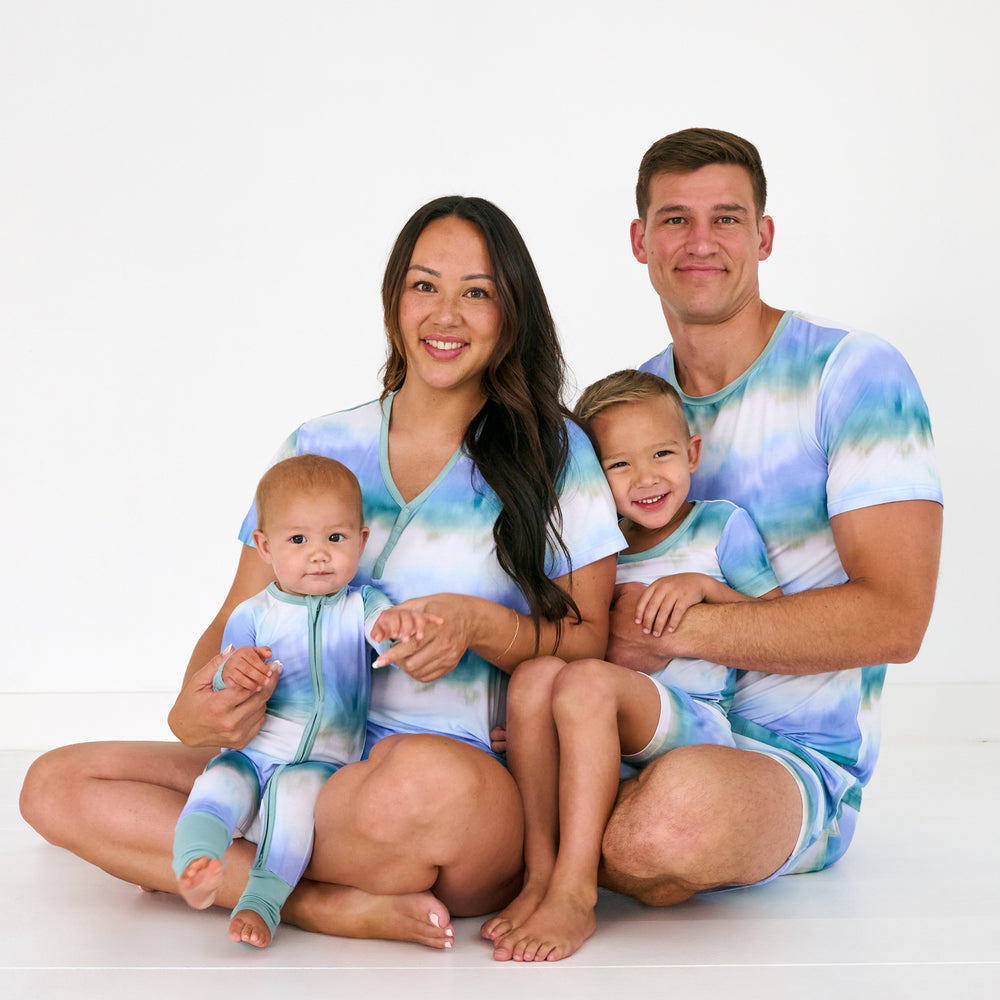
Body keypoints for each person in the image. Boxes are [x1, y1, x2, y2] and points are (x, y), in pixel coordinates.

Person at [19, 196, 625, 949]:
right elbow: (237, 612)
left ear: (512, 311)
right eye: (424, 285)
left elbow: (587, 640)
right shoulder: (319, 444)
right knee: (54, 786)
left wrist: (478, 625)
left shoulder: (554, 453)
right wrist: (198, 705)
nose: (445, 315)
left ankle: (221, 863)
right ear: (394, 298)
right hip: (290, 757)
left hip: (455, 781)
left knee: (422, 784)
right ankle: (319, 904)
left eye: (477, 292)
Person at [596, 127, 943, 906]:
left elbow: (896, 620)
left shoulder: (852, 373)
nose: (701, 241)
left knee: (664, 827)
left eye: (726, 217)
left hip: (791, 763)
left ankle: (601, 847)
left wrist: (670, 630)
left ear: (764, 236)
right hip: (635, 724)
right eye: (675, 219)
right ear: (640, 240)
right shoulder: (629, 412)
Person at [482, 369, 781, 961]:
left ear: (692, 453)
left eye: (662, 454)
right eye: (619, 465)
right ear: (592, 480)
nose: (645, 477)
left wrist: (704, 588)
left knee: (586, 681)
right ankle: (539, 874)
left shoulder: (720, 525)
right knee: (537, 675)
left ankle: (575, 890)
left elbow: (775, 623)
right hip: (608, 729)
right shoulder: (599, 550)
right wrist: (529, 724)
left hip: (697, 721)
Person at [174, 453, 441, 948]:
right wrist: (232, 672)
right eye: (298, 540)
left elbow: (386, 635)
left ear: (361, 541)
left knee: (295, 803)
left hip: (324, 762)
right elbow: (221, 677)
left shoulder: (362, 605)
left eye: (335, 538)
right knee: (217, 783)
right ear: (265, 546)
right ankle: (197, 859)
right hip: (252, 753)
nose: (319, 555)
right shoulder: (254, 613)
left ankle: (262, 901)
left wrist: (399, 630)